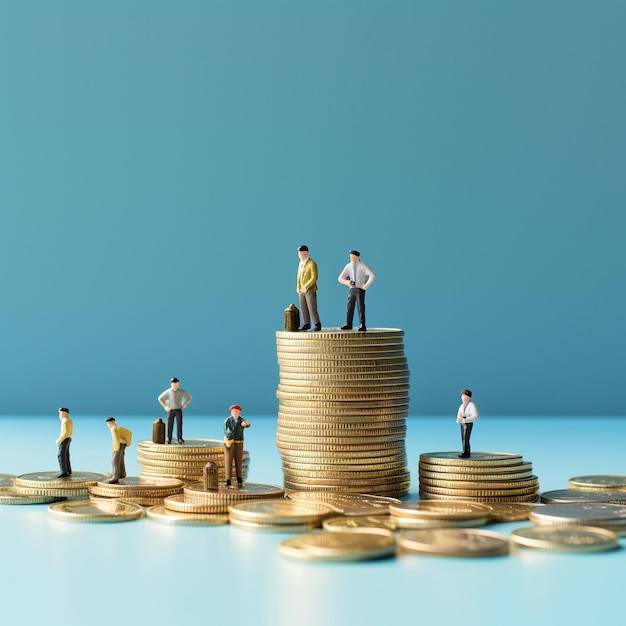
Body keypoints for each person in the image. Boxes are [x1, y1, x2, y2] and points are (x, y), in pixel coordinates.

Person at [338, 250, 376, 331]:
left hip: (360, 289)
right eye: (350, 257)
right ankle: (348, 323)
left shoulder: (363, 266)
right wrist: (348, 282)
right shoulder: (348, 266)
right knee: (349, 306)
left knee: (360, 307)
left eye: (353, 257)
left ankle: (362, 324)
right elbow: (340, 278)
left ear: (357, 257)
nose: (351, 258)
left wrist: (366, 285)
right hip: (352, 289)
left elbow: (372, 275)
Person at [158, 377, 192, 444]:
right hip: (171, 410)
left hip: (178, 409)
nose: (174, 385)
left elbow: (189, 398)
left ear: (178, 383)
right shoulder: (168, 392)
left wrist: (185, 403)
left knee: (179, 424)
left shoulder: (182, 391)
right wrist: (165, 406)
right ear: (171, 384)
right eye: (173, 383)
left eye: (176, 383)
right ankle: (168, 438)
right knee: (169, 424)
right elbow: (160, 398)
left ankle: (179, 437)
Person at [223, 404, 250, 487]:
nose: (235, 413)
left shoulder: (242, 420)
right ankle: (228, 479)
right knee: (228, 460)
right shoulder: (228, 420)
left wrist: (246, 424)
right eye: (234, 411)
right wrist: (229, 434)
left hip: (239, 441)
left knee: (238, 460)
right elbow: (226, 429)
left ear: (239, 412)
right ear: (231, 412)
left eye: (237, 411)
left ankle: (239, 477)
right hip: (230, 442)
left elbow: (248, 424)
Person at [296, 245, 322, 331]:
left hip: (310, 289)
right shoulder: (301, 263)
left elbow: (314, 277)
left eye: (301, 252)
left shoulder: (312, 263)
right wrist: (299, 288)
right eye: (299, 253)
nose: (299, 254)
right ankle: (306, 323)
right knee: (303, 307)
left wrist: (306, 287)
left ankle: (317, 324)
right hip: (301, 290)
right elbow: (299, 277)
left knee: (312, 308)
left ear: (306, 253)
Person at [105, 417, 132, 484]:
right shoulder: (118, 428)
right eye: (107, 423)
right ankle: (122, 474)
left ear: (113, 422)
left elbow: (116, 440)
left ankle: (115, 477)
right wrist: (127, 443)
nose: (108, 425)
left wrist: (115, 449)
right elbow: (129, 433)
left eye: (109, 423)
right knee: (120, 460)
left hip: (118, 446)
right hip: (123, 444)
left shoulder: (113, 429)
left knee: (115, 461)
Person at [456, 389, 479, 458]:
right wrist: (459, 419)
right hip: (462, 423)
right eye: (462, 396)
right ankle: (466, 451)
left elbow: (476, 416)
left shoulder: (472, 405)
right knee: (463, 438)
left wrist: (466, 419)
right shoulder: (461, 406)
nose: (463, 397)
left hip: (468, 423)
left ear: (469, 397)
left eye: (464, 396)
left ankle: (465, 452)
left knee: (466, 438)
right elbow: (458, 416)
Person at [56, 407, 73, 478]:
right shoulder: (69, 420)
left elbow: (65, 432)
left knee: (60, 455)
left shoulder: (65, 421)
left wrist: (59, 440)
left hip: (65, 439)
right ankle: (68, 470)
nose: (59, 415)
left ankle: (64, 471)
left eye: (60, 413)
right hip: (68, 438)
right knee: (66, 455)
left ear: (64, 413)